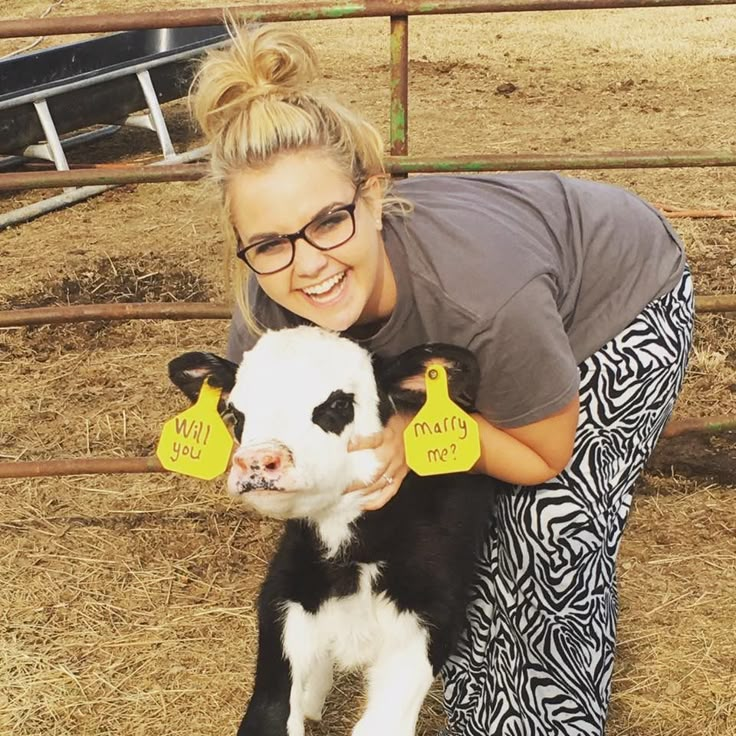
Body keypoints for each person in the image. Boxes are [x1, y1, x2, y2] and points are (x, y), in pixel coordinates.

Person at [190, 23, 693, 736]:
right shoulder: (273, 319)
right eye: (271, 243)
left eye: (328, 221)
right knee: (433, 517)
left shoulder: (483, 296)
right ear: (247, 248)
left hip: (611, 300)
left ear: (371, 193)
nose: (307, 266)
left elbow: (542, 454)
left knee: (544, 522)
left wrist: (412, 426)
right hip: (461, 338)